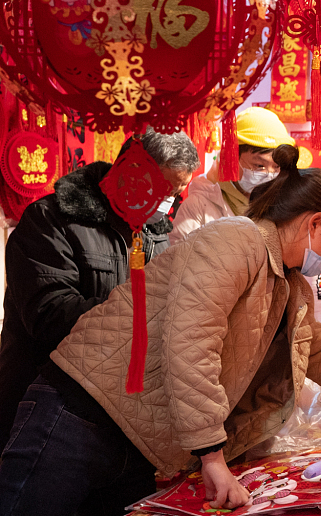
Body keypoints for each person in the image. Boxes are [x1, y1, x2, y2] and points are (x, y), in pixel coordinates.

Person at [0, 145, 321, 515]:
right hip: (79, 414)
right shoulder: (236, 242)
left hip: (140, 438)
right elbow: (191, 344)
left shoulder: (291, 284)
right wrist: (211, 456)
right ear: (316, 224)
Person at [0, 128, 199, 451]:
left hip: (120, 413)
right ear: (130, 170)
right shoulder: (51, 219)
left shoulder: (154, 231)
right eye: (163, 188)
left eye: (176, 193)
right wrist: (147, 310)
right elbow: (49, 315)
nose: (167, 202)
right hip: (46, 406)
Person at [170, 106, 295, 244]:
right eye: (259, 166)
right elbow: (180, 261)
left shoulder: (281, 205)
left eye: (276, 167)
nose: (269, 175)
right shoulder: (198, 206)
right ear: (232, 159)